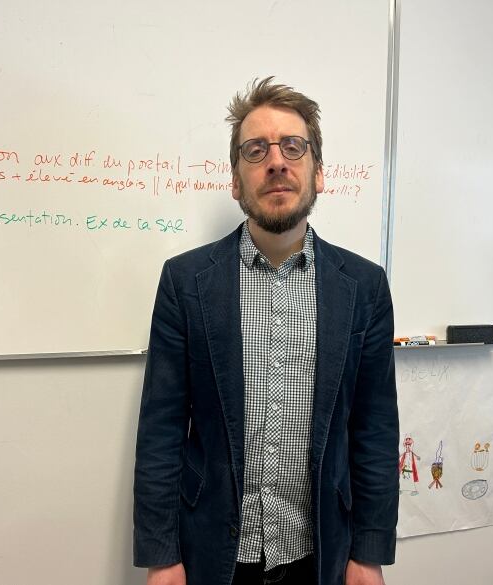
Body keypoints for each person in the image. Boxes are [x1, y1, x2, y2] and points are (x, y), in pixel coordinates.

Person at [133, 77, 399, 585]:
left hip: (322, 554)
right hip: (214, 553)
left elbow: (375, 429)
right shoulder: (185, 282)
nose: (276, 161)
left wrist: (369, 552)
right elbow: (161, 431)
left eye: (293, 147)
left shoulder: (364, 287)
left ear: (318, 172)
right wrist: (161, 556)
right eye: (255, 150)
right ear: (235, 181)